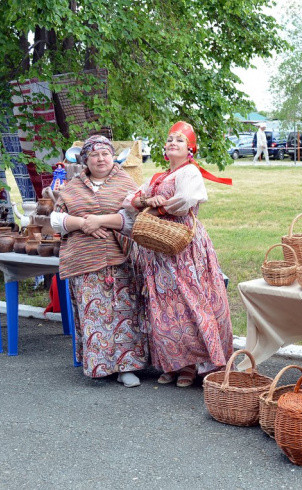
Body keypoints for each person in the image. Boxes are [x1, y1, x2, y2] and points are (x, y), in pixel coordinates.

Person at [124, 121, 233, 387]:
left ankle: (194, 364)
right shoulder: (158, 177)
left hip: (184, 246)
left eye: (180, 140)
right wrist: (145, 201)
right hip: (159, 249)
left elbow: (185, 202)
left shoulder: (189, 173)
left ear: (190, 149)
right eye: (170, 139)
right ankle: (173, 362)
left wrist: (158, 209)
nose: (173, 143)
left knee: (188, 301)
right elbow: (129, 201)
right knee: (164, 305)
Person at [50, 135, 147, 388]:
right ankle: (99, 366)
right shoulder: (72, 187)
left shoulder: (126, 183)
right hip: (84, 261)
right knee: (94, 314)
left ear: (112, 156)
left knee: (124, 313)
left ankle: (127, 367)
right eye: (94, 155)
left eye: (105, 153)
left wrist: (100, 221)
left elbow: (134, 221)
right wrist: (83, 224)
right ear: (86, 159)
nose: (101, 159)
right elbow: (56, 221)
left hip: (120, 260)